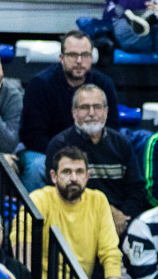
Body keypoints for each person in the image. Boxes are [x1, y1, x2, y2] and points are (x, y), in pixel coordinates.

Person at [11, 147, 126, 279]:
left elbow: (110, 252)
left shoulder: (98, 200)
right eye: (66, 172)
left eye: (79, 172)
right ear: (54, 176)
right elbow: (21, 239)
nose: (73, 178)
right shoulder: (40, 198)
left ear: (87, 176)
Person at [19, 30, 121, 193]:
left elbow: (112, 127)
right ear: (62, 58)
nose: (79, 61)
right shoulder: (40, 84)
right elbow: (33, 136)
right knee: (37, 165)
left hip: (92, 149)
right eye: (73, 55)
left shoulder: (104, 84)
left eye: (85, 55)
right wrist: (67, 159)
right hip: (47, 150)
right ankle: (35, 216)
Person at [46, 84, 147, 237]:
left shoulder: (122, 143)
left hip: (119, 224)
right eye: (85, 107)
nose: (91, 113)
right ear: (74, 112)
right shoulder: (59, 145)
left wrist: (123, 217)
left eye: (97, 107)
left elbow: (136, 190)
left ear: (106, 112)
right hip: (75, 221)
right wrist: (104, 214)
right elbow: (56, 193)